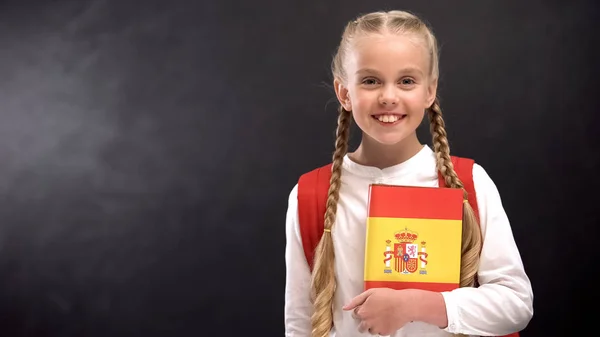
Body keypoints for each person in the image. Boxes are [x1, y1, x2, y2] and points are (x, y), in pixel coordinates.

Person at [284, 9, 534, 337]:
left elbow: (516, 304)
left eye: (406, 81)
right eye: (370, 81)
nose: (389, 97)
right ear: (344, 92)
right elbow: (301, 324)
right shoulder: (310, 195)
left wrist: (415, 305)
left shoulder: (469, 182)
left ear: (429, 91)